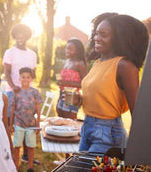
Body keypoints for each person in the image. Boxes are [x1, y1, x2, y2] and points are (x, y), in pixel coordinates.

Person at [79, 13, 149, 154]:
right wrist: (78, 100)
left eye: (103, 35)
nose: (97, 38)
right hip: (87, 127)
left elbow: (137, 109)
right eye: (96, 33)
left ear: (118, 39)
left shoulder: (125, 66)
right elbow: (101, 97)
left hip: (108, 134)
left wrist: (141, 147)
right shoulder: (98, 63)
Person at [2, 23, 39, 164]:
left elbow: (33, 74)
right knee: (10, 122)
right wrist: (13, 86)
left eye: (23, 35)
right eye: (18, 34)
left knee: (27, 122)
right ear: (14, 36)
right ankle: (8, 154)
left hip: (27, 94)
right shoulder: (9, 52)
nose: (20, 37)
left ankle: (25, 155)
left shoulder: (32, 54)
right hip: (12, 92)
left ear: (27, 36)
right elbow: (6, 72)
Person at [10, 67, 42, 172]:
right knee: (17, 145)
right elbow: (12, 108)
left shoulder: (35, 92)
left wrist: (38, 123)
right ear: (19, 78)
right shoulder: (16, 92)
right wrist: (10, 124)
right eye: (23, 77)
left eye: (28, 77)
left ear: (31, 78)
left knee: (31, 146)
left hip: (31, 124)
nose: (25, 79)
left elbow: (38, 109)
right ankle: (16, 166)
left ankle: (30, 167)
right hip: (19, 122)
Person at [56, 38, 87, 120]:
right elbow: (62, 77)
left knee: (69, 121)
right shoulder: (67, 62)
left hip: (72, 96)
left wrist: (66, 82)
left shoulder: (80, 64)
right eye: (66, 48)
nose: (67, 50)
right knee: (60, 117)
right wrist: (59, 81)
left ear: (77, 51)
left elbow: (85, 84)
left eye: (70, 49)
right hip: (61, 94)